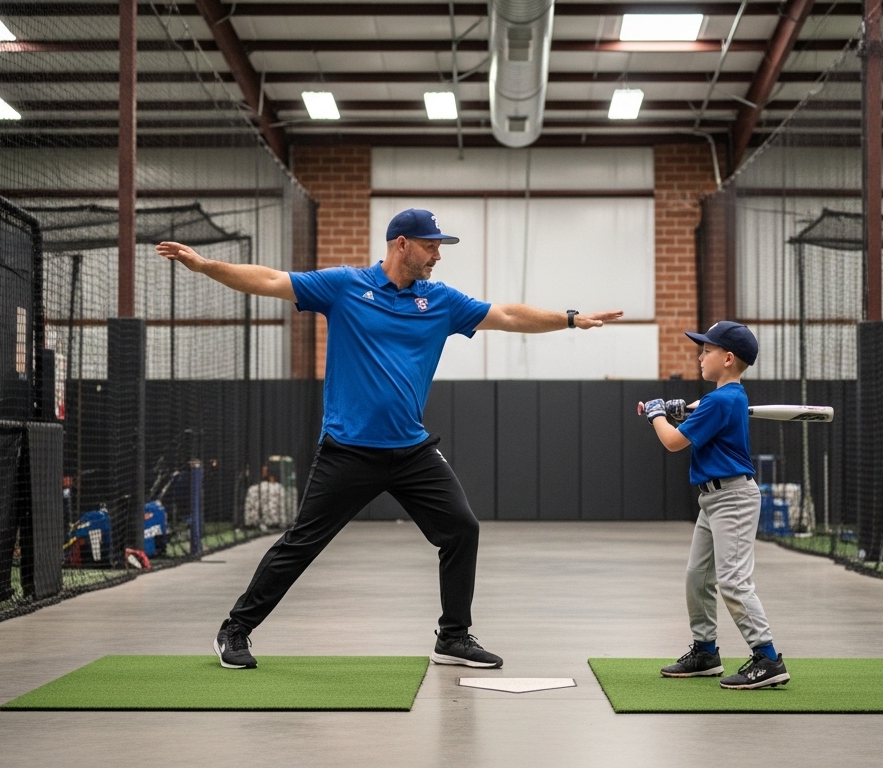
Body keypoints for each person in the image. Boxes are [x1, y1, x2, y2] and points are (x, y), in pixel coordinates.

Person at [156, 208, 622, 670]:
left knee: (462, 528)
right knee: (301, 543)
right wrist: (204, 266)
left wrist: (569, 319)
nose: (437, 255)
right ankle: (235, 629)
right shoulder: (344, 286)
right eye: (431, 245)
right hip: (348, 450)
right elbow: (270, 281)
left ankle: (453, 636)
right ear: (402, 244)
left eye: (440, 246)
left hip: (411, 450)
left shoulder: (439, 300)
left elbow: (505, 314)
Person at [639, 321, 789, 690]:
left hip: (733, 498)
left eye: (706, 351)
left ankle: (768, 658)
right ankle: (706, 651)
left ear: (727, 358)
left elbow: (674, 442)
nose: (700, 356)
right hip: (713, 499)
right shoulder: (727, 398)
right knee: (697, 577)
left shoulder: (722, 400)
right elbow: (700, 412)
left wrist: (658, 413)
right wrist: (681, 409)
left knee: (733, 581)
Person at [243, 465, 286, 532]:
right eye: (263, 471)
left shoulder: (273, 479)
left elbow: (273, 481)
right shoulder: (256, 483)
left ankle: (272, 523)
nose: (264, 472)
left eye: (266, 471)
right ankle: (255, 523)